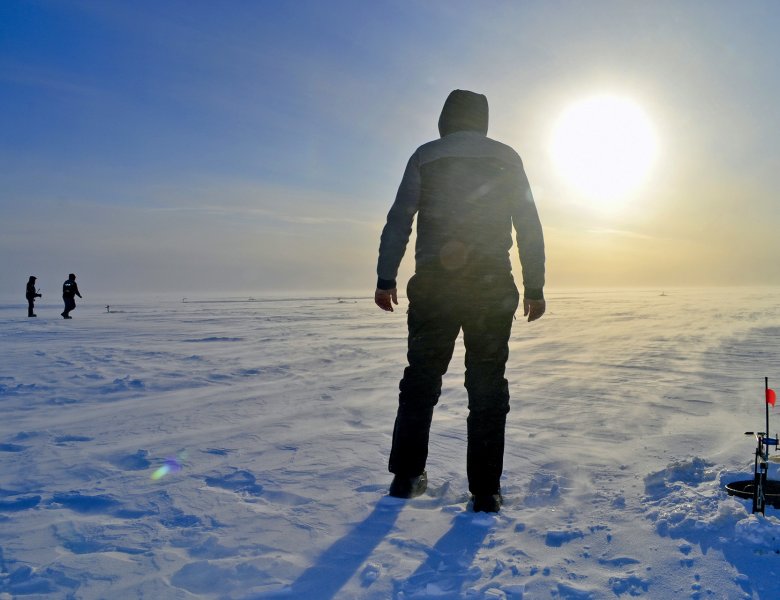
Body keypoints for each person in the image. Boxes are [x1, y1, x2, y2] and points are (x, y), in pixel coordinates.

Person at [375, 89, 546, 513]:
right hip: (490, 288)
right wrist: (535, 286)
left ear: (445, 118)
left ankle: (406, 477)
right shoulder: (507, 157)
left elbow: (400, 217)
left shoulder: (426, 155)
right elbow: (529, 224)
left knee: (420, 380)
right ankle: (486, 491)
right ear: (483, 119)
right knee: (487, 386)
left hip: (435, 286)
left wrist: (385, 277)